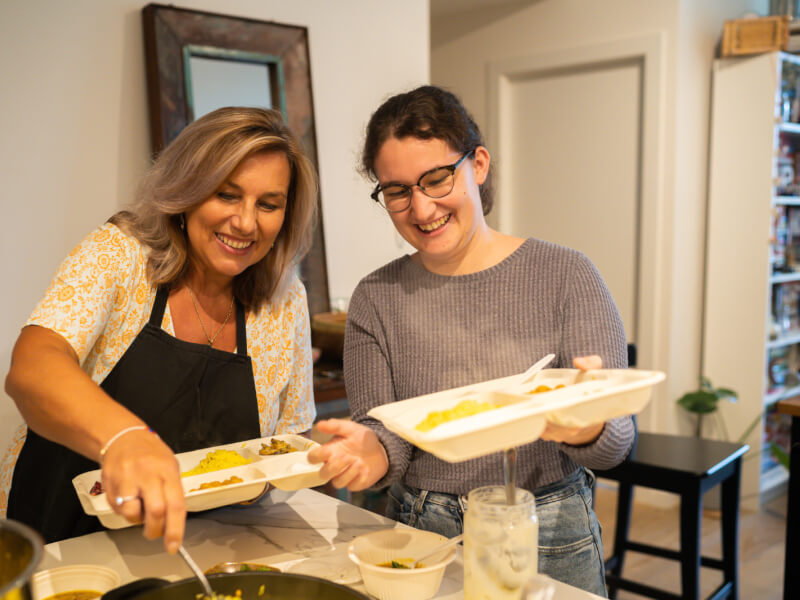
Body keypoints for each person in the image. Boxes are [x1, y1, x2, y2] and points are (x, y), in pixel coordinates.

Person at [307, 85, 634, 596]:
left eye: (437, 179)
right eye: (396, 191)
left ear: (477, 164)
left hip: (545, 523)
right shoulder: (375, 297)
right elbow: (384, 429)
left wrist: (589, 427)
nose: (421, 208)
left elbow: (617, 442)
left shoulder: (566, 274)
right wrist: (369, 451)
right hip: (420, 527)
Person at [2, 107, 318, 552]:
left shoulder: (285, 301)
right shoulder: (119, 255)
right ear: (186, 192)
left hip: (199, 552)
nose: (247, 223)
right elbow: (31, 369)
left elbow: (288, 445)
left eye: (268, 204)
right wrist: (125, 438)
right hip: (60, 544)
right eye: (227, 195)